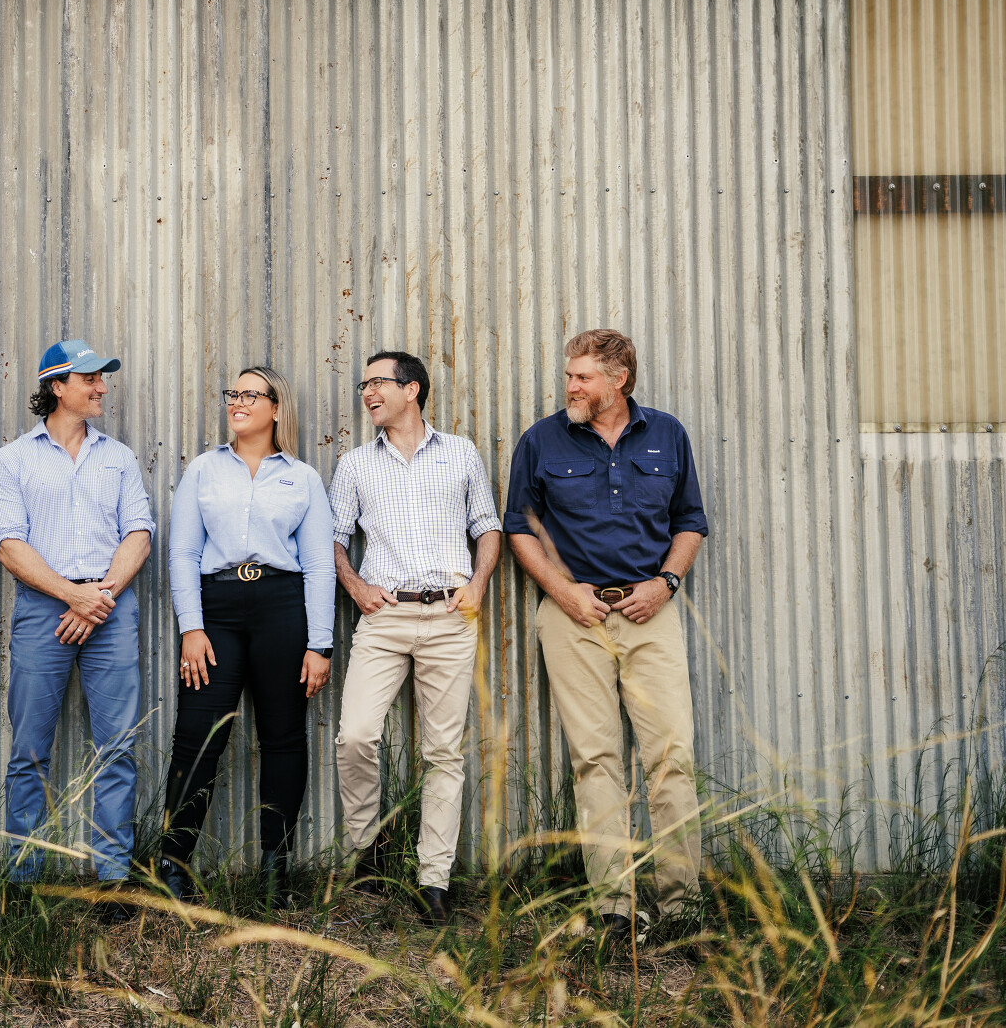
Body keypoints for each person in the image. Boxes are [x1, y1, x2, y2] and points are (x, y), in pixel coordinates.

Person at [504, 329, 708, 943]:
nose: (570, 386)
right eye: (569, 375)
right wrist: (564, 593)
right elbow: (519, 527)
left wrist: (666, 584)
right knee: (595, 761)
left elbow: (690, 521)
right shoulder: (541, 440)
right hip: (573, 618)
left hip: (651, 615)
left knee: (672, 759)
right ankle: (614, 908)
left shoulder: (667, 434)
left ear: (618, 380)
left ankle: (682, 907)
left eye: (582, 377)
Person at [0, 339, 154, 918]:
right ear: (57, 386)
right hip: (43, 612)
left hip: (110, 609)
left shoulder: (118, 458)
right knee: (30, 750)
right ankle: (24, 882)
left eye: (103, 377)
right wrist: (70, 595)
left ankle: (113, 879)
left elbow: (139, 533)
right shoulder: (14, 460)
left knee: (117, 749)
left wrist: (97, 596)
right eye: (90, 378)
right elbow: (8, 543)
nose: (101, 386)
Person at [330, 350, 502, 926]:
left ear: (413, 390)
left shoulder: (461, 453)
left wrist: (477, 585)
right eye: (364, 384)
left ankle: (434, 881)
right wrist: (355, 586)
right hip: (384, 618)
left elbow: (488, 527)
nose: (367, 392)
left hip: (451, 616)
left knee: (443, 753)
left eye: (378, 382)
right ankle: (368, 847)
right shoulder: (355, 464)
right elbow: (333, 538)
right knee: (355, 736)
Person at [159, 366, 336, 910]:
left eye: (250, 394)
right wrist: (192, 627)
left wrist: (320, 644)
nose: (237, 402)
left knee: (283, 737)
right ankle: (171, 867)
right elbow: (183, 553)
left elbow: (319, 565)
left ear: (276, 408)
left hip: (282, 607)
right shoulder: (203, 470)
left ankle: (274, 872)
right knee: (197, 736)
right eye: (233, 393)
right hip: (216, 610)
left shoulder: (302, 477)